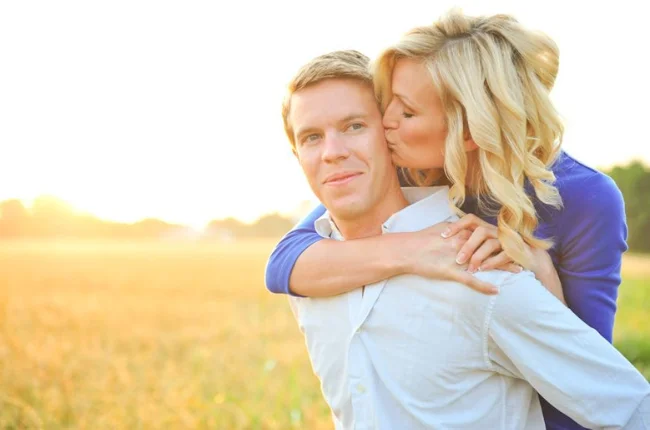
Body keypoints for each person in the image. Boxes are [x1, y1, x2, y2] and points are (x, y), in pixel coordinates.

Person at [267, 10, 628, 429]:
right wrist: (417, 248)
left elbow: (590, 381)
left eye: (405, 111)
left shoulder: (582, 198)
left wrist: (540, 271)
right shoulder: (408, 162)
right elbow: (286, 260)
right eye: (388, 105)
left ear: (469, 127)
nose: (384, 125)